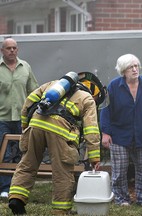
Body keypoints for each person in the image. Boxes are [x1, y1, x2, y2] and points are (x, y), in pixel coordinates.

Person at [8, 71, 102, 215]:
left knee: (27, 163)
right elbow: (91, 129)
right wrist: (94, 156)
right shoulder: (87, 98)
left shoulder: (52, 84)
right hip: (61, 132)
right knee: (62, 172)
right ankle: (60, 210)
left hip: (36, 124)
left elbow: (28, 102)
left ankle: (16, 198)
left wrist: (25, 125)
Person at [100, 53, 142, 207]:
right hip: (119, 135)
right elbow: (105, 110)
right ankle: (121, 199)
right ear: (123, 71)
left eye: (136, 66)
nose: (134, 70)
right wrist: (105, 133)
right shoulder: (113, 86)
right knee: (119, 171)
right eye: (130, 67)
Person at [0, 37, 38, 198]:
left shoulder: (26, 67)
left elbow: (34, 91)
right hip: (2, 118)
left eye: (14, 48)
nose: (12, 51)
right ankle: (5, 188)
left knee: (22, 153)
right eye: (8, 48)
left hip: (22, 119)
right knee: (5, 154)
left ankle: (20, 187)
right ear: (2, 51)